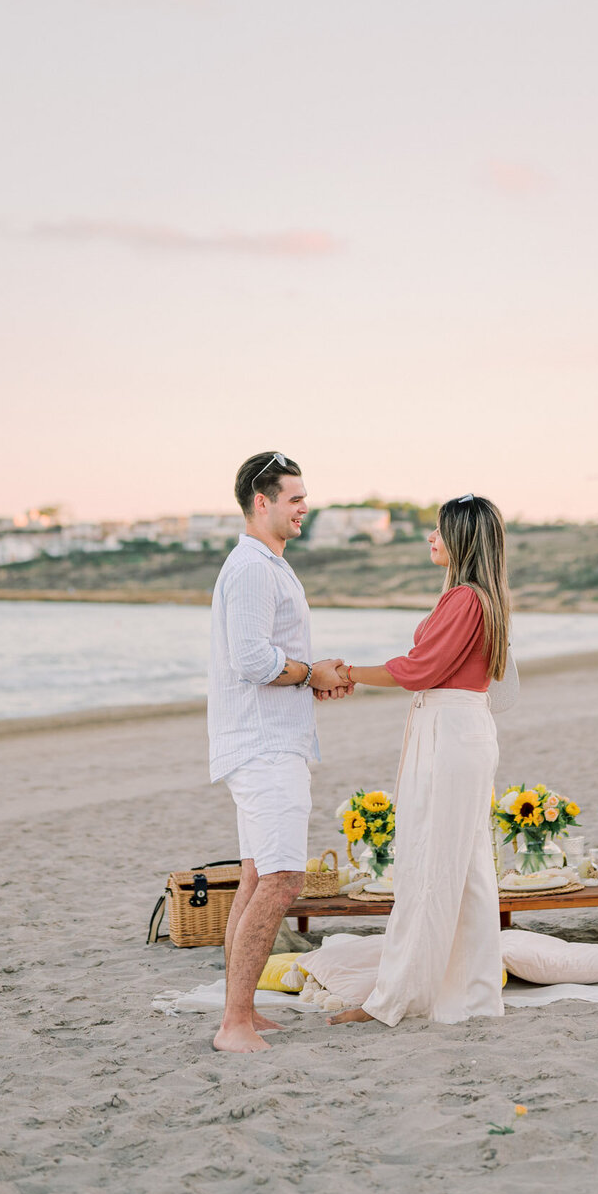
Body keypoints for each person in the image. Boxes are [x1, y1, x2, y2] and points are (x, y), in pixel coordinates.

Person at [327, 493, 509, 1026]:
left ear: (461, 540)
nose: (430, 538)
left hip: (451, 735)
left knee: (428, 864)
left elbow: (418, 668)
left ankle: (396, 999)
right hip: (466, 730)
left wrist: (350, 672)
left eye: (438, 530)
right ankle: (477, 998)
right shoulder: (485, 598)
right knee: (471, 871)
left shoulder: (464, 601)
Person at [209, 451, 351, 1053]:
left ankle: (240, 1011)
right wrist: (308, 672)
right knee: (284, 879)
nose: (304, 507)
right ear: (260, 503)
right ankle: (233, 1024)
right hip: (263, 747)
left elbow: (274, 660)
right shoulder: (251, 569)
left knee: (256, 877)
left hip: (273, 740)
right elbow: (253, 661)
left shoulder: (269, 565)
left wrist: (312, 676)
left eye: (303, 497)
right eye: (294, 498)